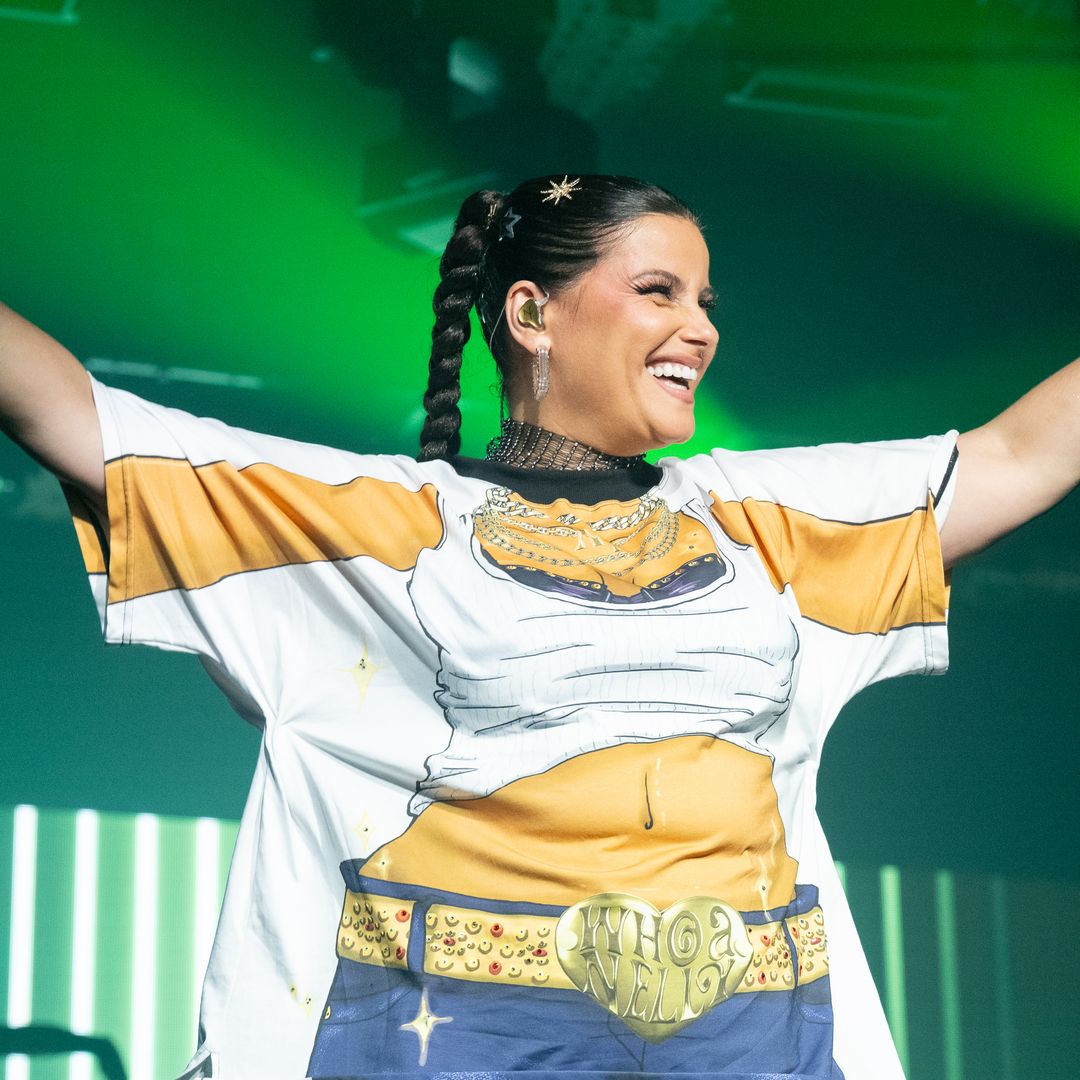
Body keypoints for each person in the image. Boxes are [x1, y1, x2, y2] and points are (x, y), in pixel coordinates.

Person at [1, 173, 1077, 1080]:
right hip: (454, 1035)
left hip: (752, 1039)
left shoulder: (767, 520)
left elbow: (1020, 455)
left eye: (705, 299)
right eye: (657, 290)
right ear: (530, 315)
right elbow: (68, 413)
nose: (701, 328)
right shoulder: (384, 526)